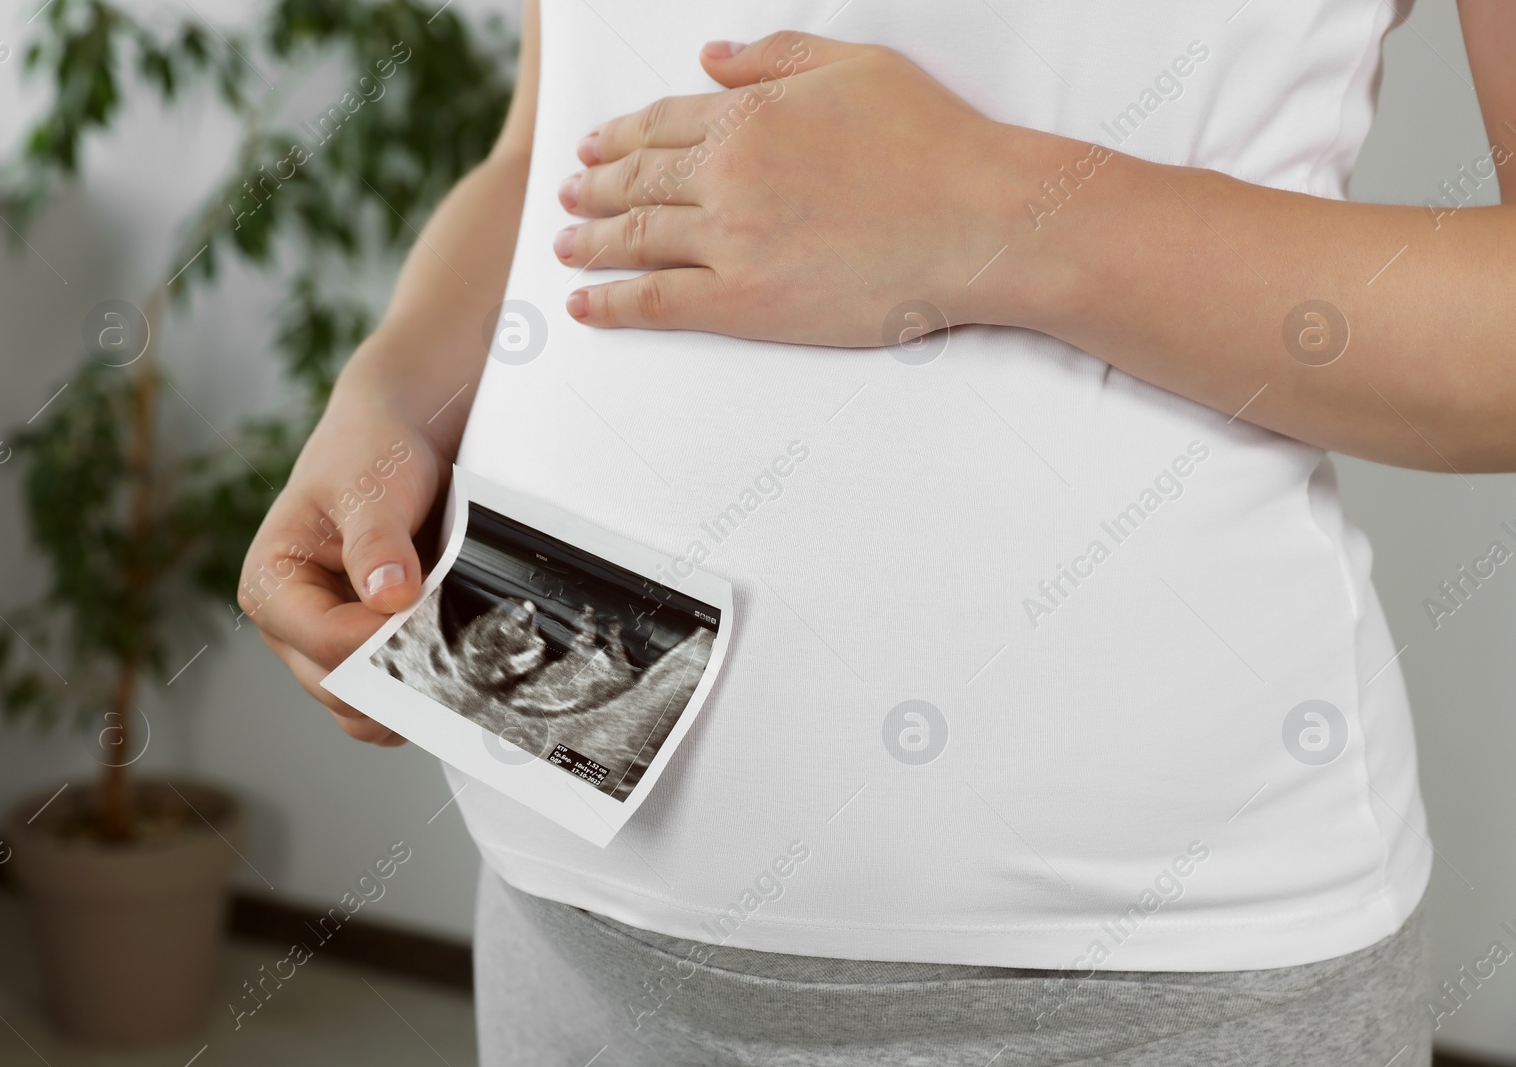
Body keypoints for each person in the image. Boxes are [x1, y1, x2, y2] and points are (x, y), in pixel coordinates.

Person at [240, 1, 1516, 1063]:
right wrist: (396, 392)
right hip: (565, 911)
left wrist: (1008, 213)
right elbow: (558, 133)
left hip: (1145, 982)